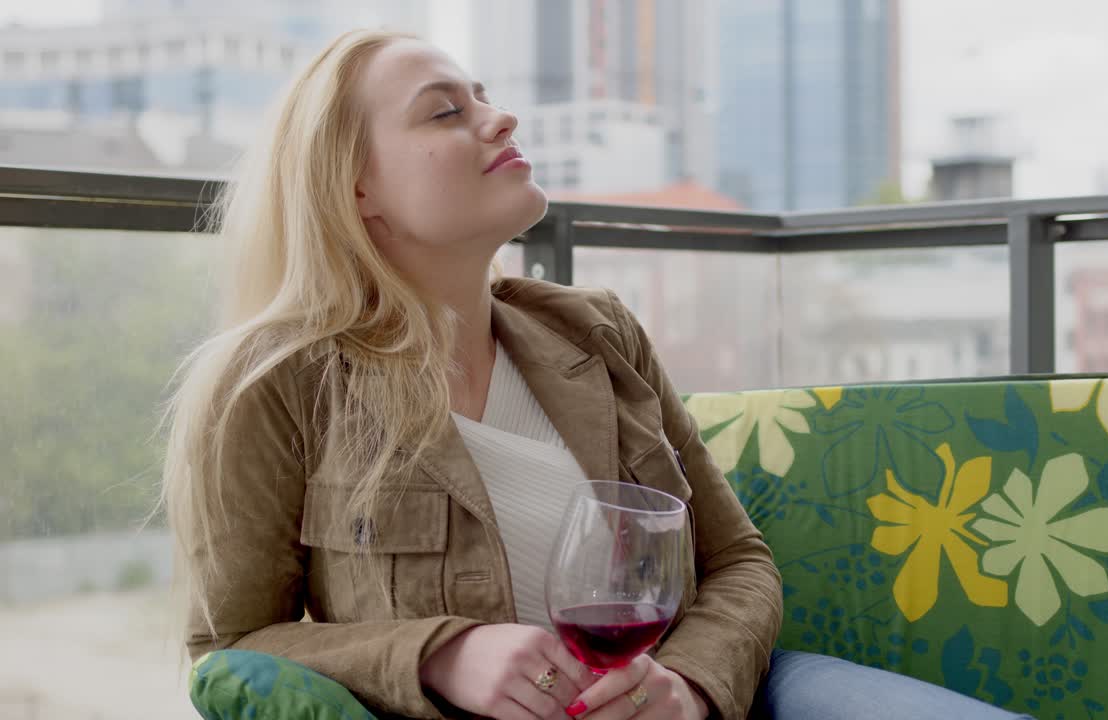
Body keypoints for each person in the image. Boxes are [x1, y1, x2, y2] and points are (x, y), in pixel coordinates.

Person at [162, 28, 1032, 720]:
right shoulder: (272, 383)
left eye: (485, 99)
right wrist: (438, 654)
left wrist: (689, 685)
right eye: (445, 112)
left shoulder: (597, 330)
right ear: (357, 189)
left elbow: (738, 561)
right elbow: (230, 649)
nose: (500, 119)